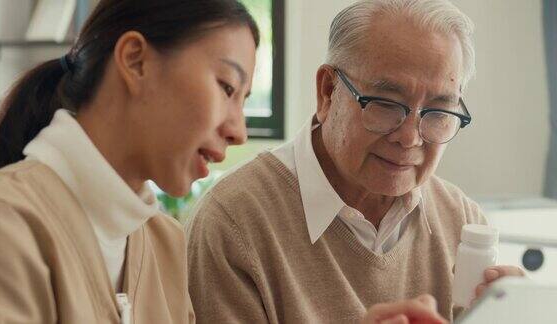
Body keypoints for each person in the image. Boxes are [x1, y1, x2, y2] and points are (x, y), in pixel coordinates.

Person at [186, 0, 523, 323]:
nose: (410, 138)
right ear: (328, 91)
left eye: (437, 112)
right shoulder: (234, 222)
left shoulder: (460, 221)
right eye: (386, 103)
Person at [0, 0, 258, 323]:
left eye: (244, 100)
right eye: (227, 88)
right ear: (135, 60)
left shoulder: (164, 242)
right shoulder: (1, 220)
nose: (239, 131)